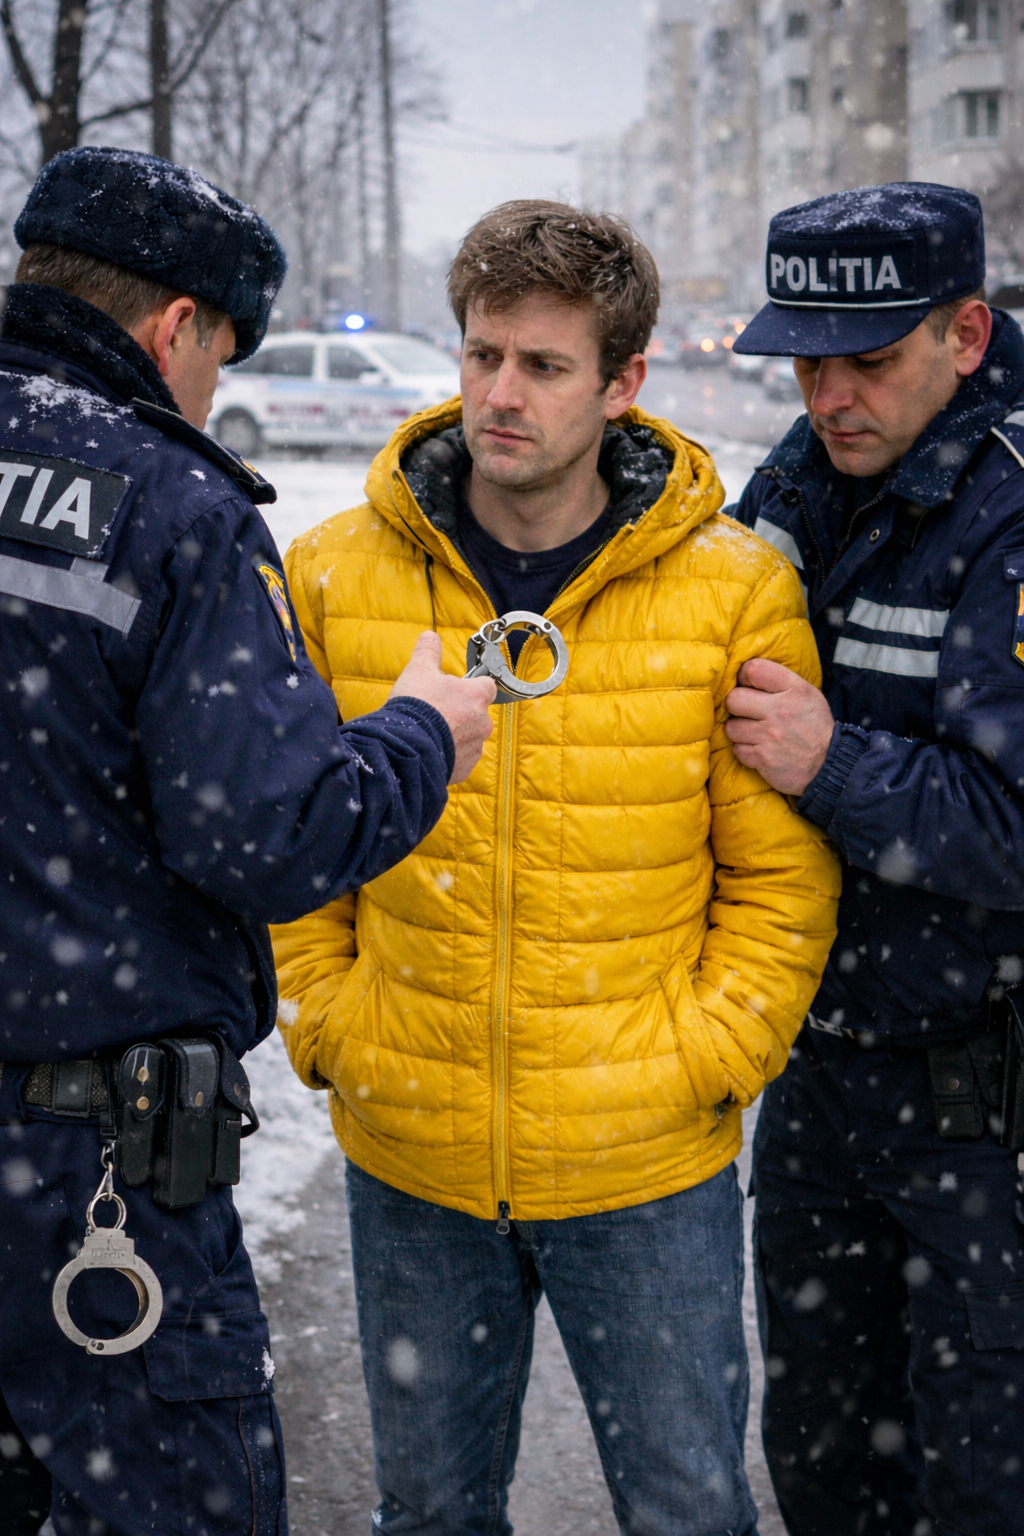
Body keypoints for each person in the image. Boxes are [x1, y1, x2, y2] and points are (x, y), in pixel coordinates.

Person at [270, 199, 840, 1536]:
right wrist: (336, 1026)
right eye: (483, 354)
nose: (500, 395)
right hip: (411, 1149)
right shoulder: (334, 577)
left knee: (688, 1511)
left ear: (623, 382)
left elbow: (779, 878)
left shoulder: (730, 588)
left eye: (543, 365)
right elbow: (296, 844)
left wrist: (704, 1057)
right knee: (428, 1513)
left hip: (645, 1168)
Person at [0, 146, 495, 1536]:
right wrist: (423, 734)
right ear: (177, 326)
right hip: (95, 1175)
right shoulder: (171, 505)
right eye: (221, 354)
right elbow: (270, 834)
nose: (213, 387)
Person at [728, 183, 1024, 1536]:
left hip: (985, 1107)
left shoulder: (1011, 508)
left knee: (982, 1483)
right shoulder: (805, 470)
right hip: (820, 1076)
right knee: (825, 1465)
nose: (829, 395)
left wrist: (831, 764)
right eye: (806, 362)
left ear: (967, 335)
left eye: (869, 360)